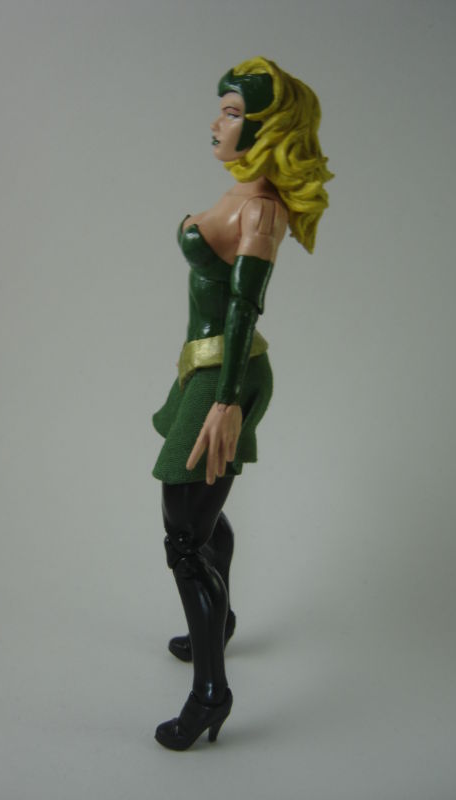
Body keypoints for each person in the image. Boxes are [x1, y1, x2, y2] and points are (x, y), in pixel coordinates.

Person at [151, 56, 333, 750]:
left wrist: (225, 403)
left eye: (232, 112)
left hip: (224, 375)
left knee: (182, 537)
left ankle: (211, 694)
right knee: (201, 517)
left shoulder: (258, 212)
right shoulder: (244, 197)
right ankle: (218, 622)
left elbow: (244, 306)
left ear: (266, 128)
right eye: (222, 109)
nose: (216, 123)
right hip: (205, 369)